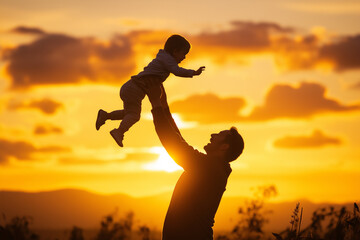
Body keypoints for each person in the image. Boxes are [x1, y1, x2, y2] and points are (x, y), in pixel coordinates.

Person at [144, 79, 245, 240]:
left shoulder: (210, 169)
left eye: (219, 135)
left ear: (224, 147)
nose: (213, 135)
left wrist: (156, 103)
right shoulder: (212, 168)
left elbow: (175, 144)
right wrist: (164, 106)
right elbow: (180, 142)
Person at [95, 34, 205, 147]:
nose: (184, 57)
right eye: (183, 54)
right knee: (134, 115)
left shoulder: (162, 58)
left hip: (130, 87)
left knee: (129, 113)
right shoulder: (168, 60)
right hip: (135, 89)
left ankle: (105, 116)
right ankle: (119, 131)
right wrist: (193, 72)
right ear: (175, 51)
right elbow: (177, 71)